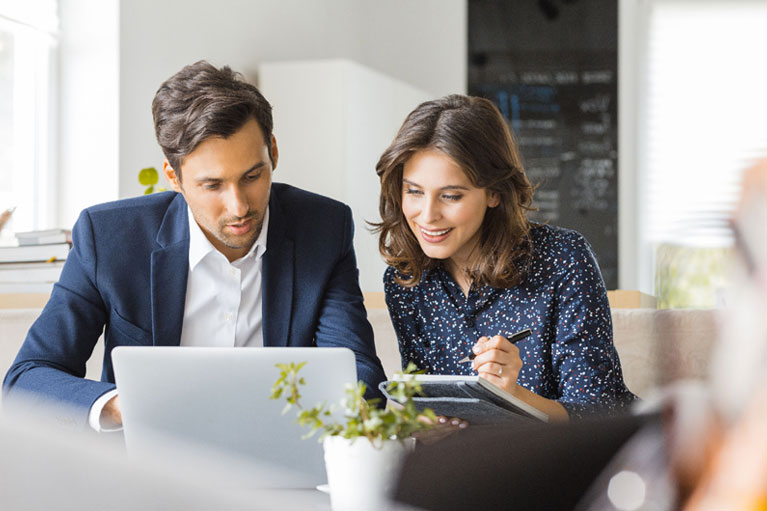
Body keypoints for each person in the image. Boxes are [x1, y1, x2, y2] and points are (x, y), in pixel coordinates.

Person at [3, 61, 386, 430]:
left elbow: (360, 376)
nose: (239, 206)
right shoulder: (109, 237)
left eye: (253, 175)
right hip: (148, 467)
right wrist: (125, 406)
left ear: (273, 151)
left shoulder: (322, 227)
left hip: (281, 459)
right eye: (212, 185)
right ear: (174, 176)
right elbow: (28, 378)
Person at [374, 94, 634, 420]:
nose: (427, 216)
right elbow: (425, 404)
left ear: (495, 192)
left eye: (451, 196)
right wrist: (429, 427)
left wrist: (512, 395)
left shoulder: (564, 260)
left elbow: (599, 414)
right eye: (414, 191)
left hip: (576, 460)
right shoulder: (405, 282)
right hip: (480, 464)